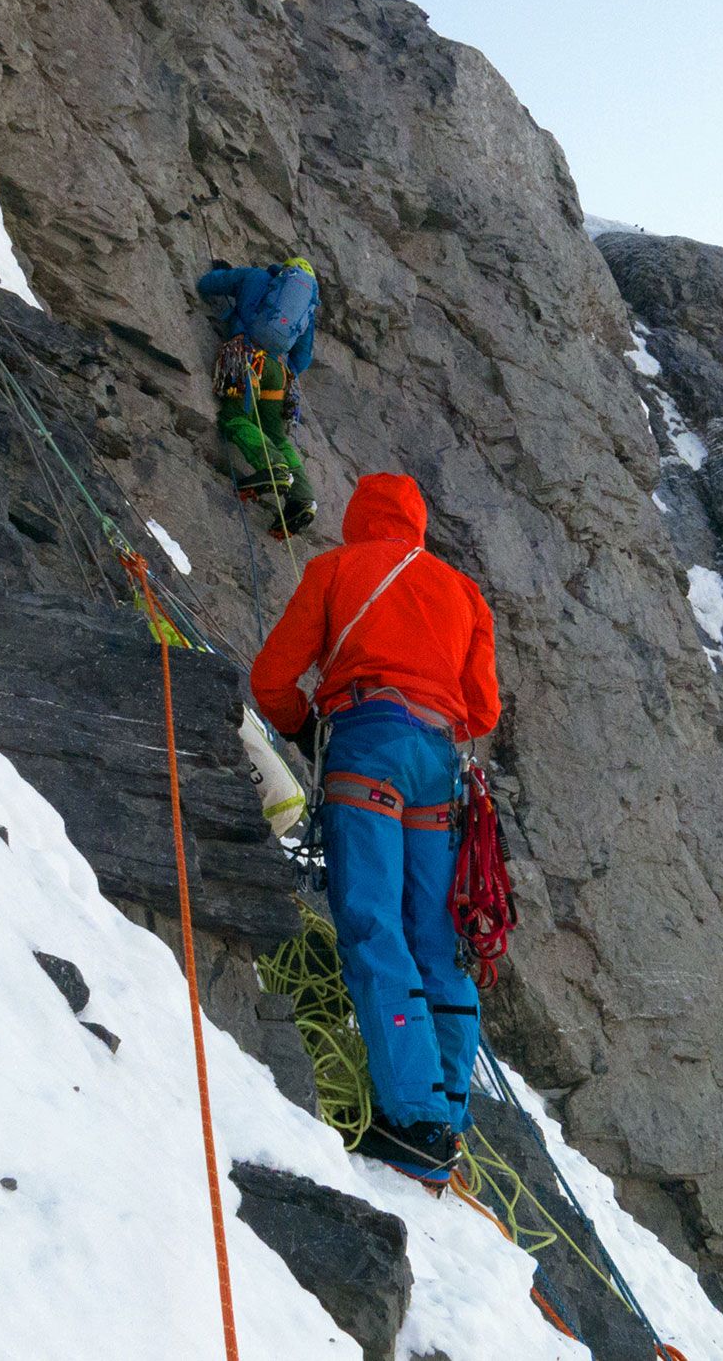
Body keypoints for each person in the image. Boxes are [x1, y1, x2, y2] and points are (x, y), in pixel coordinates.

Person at [250, 473, 502, 1182]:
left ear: (361, 518)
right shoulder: (464, 593)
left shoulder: (335, 569)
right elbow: (481, 712)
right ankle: (446, 1112)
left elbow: (272, 678)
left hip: (366, 747)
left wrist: (307, 733)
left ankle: (413, 1122)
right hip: (438, 768)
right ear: (418, 525)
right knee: (435, 938)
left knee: (372, 924)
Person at [196, 256, 320, 541]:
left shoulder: (256, 277)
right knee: (276, 435)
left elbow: (207, 285)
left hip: (247, 356)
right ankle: (303, 498)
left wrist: (225, 278)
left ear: (283, 271)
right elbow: (302, 357)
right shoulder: (306, 311)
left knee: (234, 417)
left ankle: (272, 467)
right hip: (277, 371)